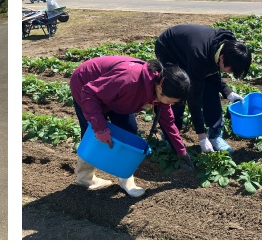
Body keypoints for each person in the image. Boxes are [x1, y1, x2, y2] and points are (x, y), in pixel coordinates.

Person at [69, 56, 192, 196]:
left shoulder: (160, 90)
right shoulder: (128, 79)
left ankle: (125, 179)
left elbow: (167, 121)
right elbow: (89, 92)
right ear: (161, 86)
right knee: (92, 131)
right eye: (170, 101)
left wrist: (180, 150)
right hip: (85, 84)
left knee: (129, 130)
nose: (171, 104)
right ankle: (85, 178)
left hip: (116, 94)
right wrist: (100, 128)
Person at [155, 24, 251, 153]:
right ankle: (170, 134)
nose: (230, 73)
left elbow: (213, 73)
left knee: (210, 89)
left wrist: (228, 92)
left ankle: (215, 134)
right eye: (231, 70)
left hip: (190, 50)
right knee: (177, 91)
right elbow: (194, 100)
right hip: (169, 49)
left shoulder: (227, 46)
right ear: (222, 58)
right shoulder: (200, 57)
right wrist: (201, 136)